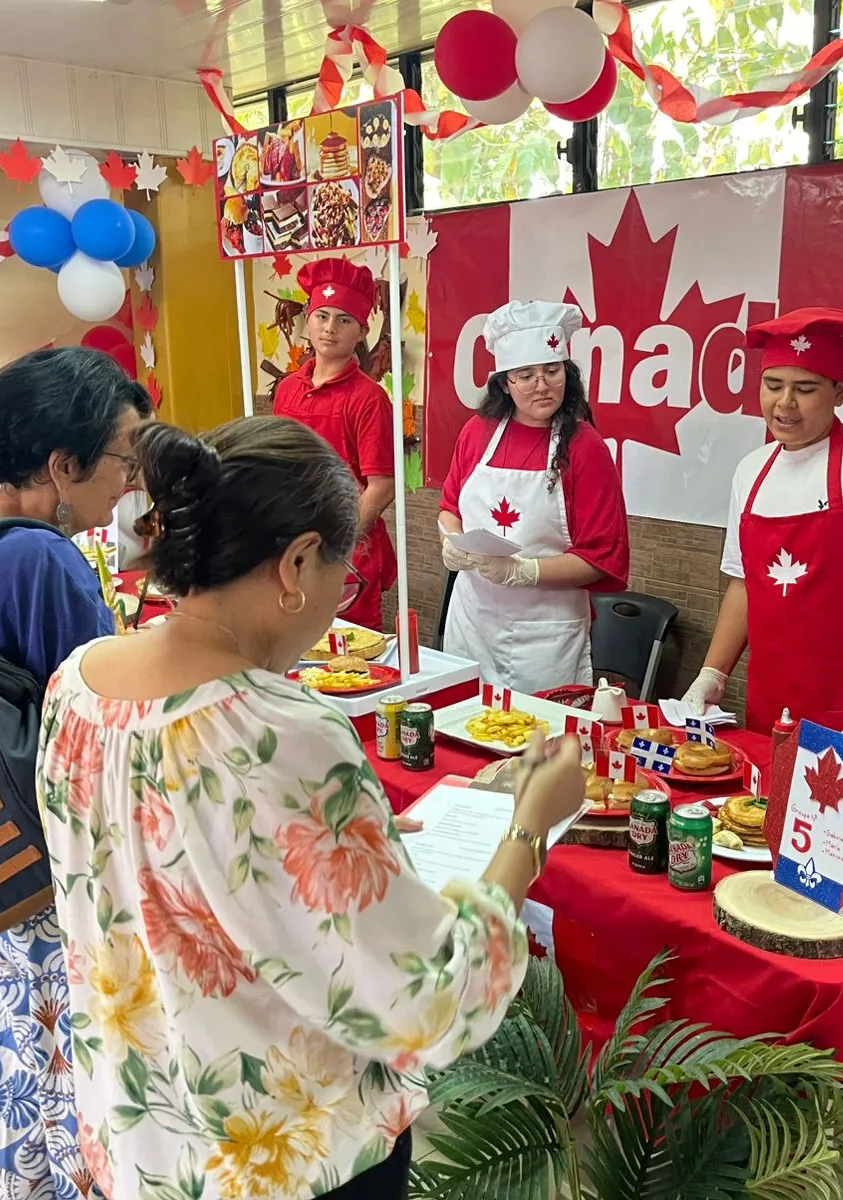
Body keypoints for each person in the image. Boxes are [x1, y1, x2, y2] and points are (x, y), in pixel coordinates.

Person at [38, 417, 585, 1200]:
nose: (339, 598)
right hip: (285, 1158)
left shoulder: (79, 682)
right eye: (343, 574)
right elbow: (427, 999)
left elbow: (167, 861)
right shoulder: (281, 727)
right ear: (296, 562)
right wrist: (529, 828)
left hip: (141, 1139)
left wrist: (348, 841)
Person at [0, 347, 152, 1200]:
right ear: (63, 465)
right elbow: (100, 727)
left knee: (30, 1046)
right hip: (57, 862)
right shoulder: (43, 559)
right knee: (78, 1063)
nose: (131, 478)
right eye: (124, 456)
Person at [683, 307, 843, 732]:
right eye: (773, 385)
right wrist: (712, 674)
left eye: (805, 389)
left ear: (841, 390)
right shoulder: (751, 470)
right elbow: (743, 583)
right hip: (770, 703)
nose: (785, 403)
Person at [438, 300, 629, 693]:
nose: (542, 386)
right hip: (471, 625)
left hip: (546, 637)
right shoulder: (477, 432)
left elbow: (602, 557)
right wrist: (450, 541)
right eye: (525, 375)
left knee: (539, 731)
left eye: (552, 371)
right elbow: (450, 507)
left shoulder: (585, 447)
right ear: (504, 383)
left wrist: (523, 571)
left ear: (567, 373)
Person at [271, 257, 396, 630]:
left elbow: (382, 486)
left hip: (346, 551)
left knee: (347, 652)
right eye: (322, 316)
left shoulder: (369, 398)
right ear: (307, 321)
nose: (330, 328)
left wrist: (335, 544)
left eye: (344, 320)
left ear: (362, 331)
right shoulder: (288, 389)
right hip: (291, 544)